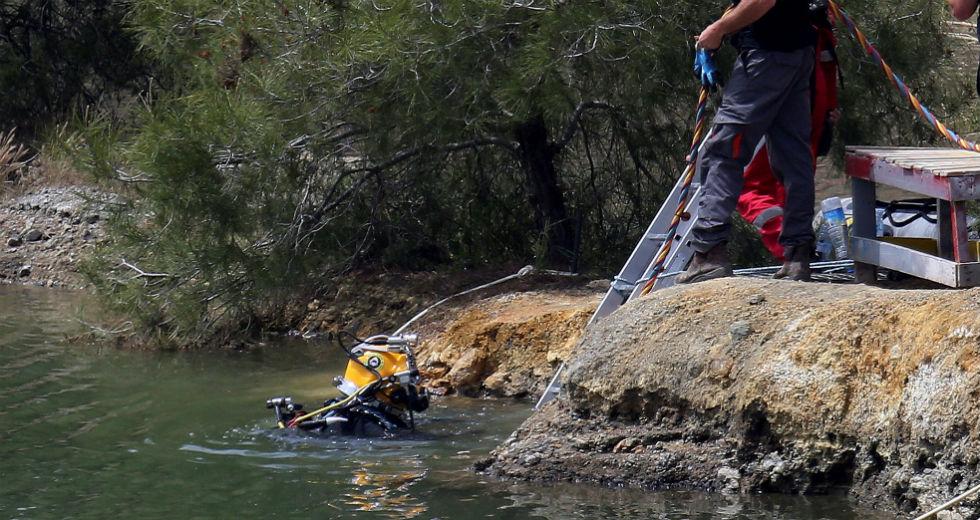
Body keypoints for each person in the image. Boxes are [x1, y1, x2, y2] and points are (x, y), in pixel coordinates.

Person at [676, 0, 817, 284]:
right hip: (796, 53)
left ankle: (709, 252)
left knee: (724, 151)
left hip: (767, 56)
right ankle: (797, 255)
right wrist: (721, 29)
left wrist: (718, 29)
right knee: (793, 156)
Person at [737, 5, 839, 262]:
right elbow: (827, 63)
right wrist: (830, 108)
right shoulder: (817, 20)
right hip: (812, 104)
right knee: (795, 178)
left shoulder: (797, 23)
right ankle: (798, 251)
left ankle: (788, 249)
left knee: (746, 187)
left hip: (781, 101)